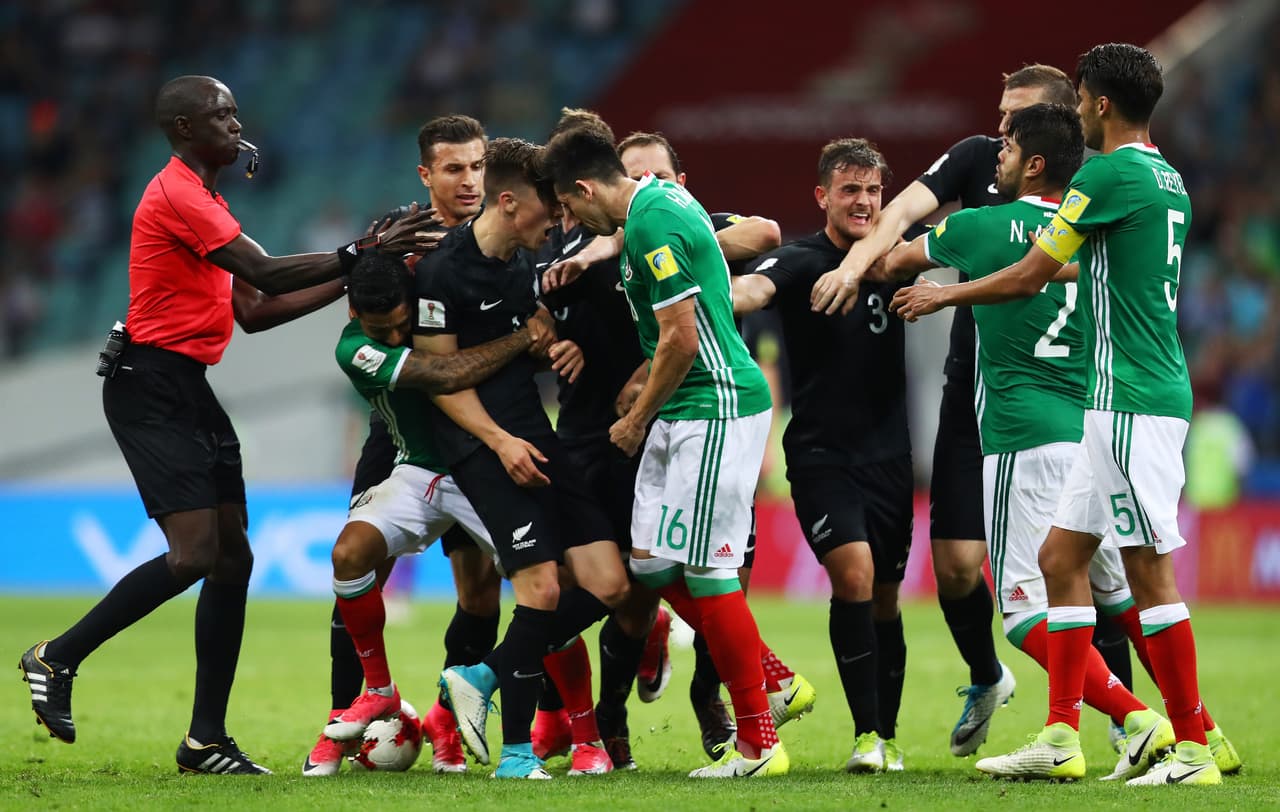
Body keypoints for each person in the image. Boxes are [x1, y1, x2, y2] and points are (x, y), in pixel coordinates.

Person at [18, 75, 441, 774]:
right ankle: (56, 657)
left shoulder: (207, 201)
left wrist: (361, 272)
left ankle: (205, 740)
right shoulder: (179, 194)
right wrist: (359, 255)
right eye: (220, 114)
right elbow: (267, 274)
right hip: (148, 385)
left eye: (237, 111)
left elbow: (254, 309)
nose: (235, 123)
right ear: (185, 128)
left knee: (234, 558)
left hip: (185, 385)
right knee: (194, 555)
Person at [890, 43, 1236, 786]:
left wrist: (944, 294)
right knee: (1059, 561)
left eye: (1081, 97)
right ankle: (1061, 734)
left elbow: (1030, 274)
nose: (1077, 112)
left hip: (1133, 400)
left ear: (1102, 104)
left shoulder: (1107, 173)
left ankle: (1193, 747)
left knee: (1147, 572)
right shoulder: (1164, 174)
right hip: (1111, 404)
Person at [808, 63, 1143, 757]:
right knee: (1007, 568)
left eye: (1011, 128)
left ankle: (1130, 718)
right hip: (1041, 407)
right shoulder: (1092, 205)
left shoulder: (993, 222)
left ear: (1051, 134)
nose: (996, 141)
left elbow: (905, 250)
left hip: (1027, 416)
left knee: (1039, 602)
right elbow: (1107, 270)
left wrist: (858, 267)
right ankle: (1154, 724)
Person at [542, 127, 788, 779]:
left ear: (587, 189)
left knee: (708, 574)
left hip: (714, 407)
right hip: (685, 409)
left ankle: (760, 738)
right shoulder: (656, 204)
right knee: (649, 563)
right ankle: (768, 682)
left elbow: (680, 338)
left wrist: (637, 416)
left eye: (569, 207)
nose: (571, 222)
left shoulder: (650, 224)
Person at [420, 138, 631, 780]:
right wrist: (500, 441)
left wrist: (553, 350)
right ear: (510, 203)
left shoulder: (519, 265)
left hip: (539, 436)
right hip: (485, 447)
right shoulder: (442, 273)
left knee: (610, 582)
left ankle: (480, 675)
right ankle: (516, 756)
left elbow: (526, 340)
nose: (560, 218)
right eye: (551, 206)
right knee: (539, 587)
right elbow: (441, 379)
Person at [307, 113, 497, 777]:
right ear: (427, 175)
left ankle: (450, 721)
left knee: (479, 591)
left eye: (476, 167)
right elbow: (364, 314)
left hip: (469, 428)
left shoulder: (500, 235)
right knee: (358, 573)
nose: (468, 181)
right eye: (454, 168)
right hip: (398, 436)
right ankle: (349, 720)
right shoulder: (397, 239)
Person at [319, 252, 558, 751]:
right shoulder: (356, 350)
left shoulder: (446, 290)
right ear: (354, 316)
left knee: (542, 588)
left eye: (399, 325)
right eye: (378, 328)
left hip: (482, 469)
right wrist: (521, 338)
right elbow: (445, 375)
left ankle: (578, 730)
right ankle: (379, 691)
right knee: (348, 555)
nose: (389, 336)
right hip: (420, 471)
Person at [732, 138, 912, 773]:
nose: (862, 201)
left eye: (872, 191)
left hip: (892, 455)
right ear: (823, 197)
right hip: (819, 454)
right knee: (855, 576)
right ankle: (865, 737)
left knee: (885, 601)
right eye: (849, 190)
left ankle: (883, 736)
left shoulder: (895, 260)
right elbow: (754, 290)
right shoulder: (803, 260)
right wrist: (713, 297)